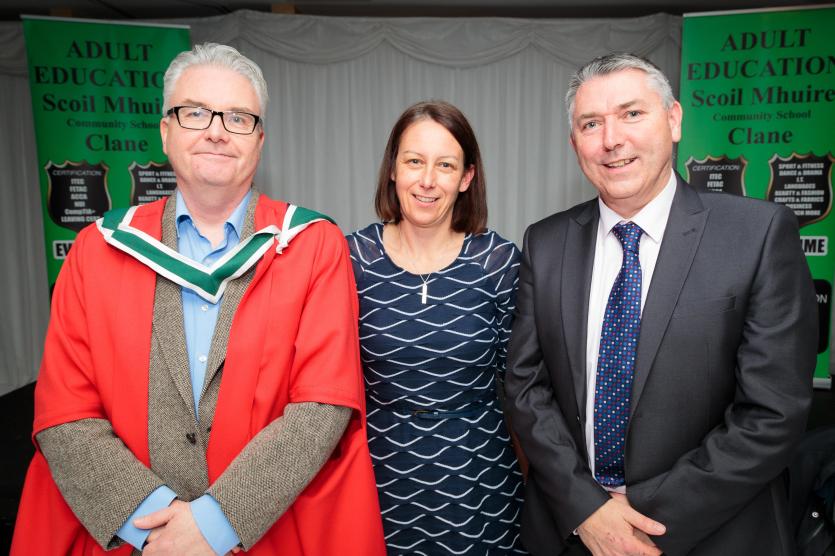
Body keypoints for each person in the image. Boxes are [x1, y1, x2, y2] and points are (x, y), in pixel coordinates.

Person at [11, 43, 385, 556]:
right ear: (165, 131)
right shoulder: (96, 250)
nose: (215, 130)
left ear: (259, 141)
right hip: (127, 541)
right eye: (195, 113)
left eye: (238, 117)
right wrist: (155, 529)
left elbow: (322, 407)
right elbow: (65, 411)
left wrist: (214, 524)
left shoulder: (310, 246)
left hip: (270, 536)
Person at [504, 52, 817, 556]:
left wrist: (634, 522)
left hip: (714, 533)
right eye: (591, 123)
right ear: (574, 143)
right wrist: (587, 508)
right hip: (572, 530)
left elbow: (772, 413)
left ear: (673, 120)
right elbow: (526, 387)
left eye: (632, 113)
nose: (611, 139)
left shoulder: (756, 234)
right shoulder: (546, 242)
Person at [346, 100, 527, 554]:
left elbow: (527, 388)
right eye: (413, 162)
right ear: (393, 170)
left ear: (466, 177)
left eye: (445, 165)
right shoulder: (350, 259)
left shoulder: (498, 263)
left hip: (478, 480)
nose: (427, 180)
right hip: (378, 477)